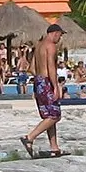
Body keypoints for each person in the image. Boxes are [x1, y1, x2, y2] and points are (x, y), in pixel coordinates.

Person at [22, 23, 66, 158]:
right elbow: (51, 67)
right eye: (60, 35)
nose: (59, 39)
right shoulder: (50, 46)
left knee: (48, 115)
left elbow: (32, 68)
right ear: (55, 33)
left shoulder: (39, 45)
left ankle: (54, 147)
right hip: (47, 81)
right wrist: (55, 86)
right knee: (54, 115)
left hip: (38, 80)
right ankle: (30, 137)